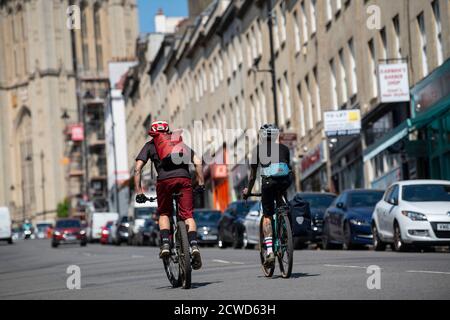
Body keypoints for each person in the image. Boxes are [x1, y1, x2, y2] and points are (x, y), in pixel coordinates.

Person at [134, 120, 205, 270]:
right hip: (184, 178)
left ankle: (166, 243)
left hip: (164, 181)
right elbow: (198, 161)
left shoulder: (150, 145)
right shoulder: (178, 143)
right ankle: (193, 246)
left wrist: (139, 192)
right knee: (187, 215)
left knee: (164, 213)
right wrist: (201, 183)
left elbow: (137, 169)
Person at [242, 124, 293, 267]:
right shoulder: (284, 149)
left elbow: (252, 176)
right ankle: (286, 229)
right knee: (283, 204)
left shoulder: (257, 150)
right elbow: (288, 167)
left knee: (267, 215)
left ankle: (270, 251)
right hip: (284, 182)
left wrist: (248, 191)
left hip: (268, 183)